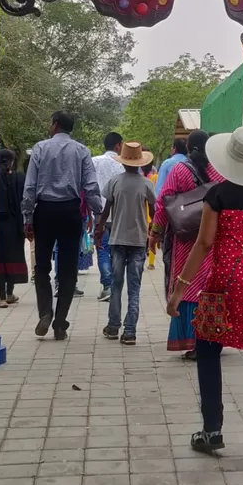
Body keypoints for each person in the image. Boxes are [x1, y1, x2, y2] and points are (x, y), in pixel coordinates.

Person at [167, 126, 243, 453]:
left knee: (207, 350)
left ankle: (212, 430)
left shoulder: (217, 195)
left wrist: (179, 290)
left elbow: (204, 243)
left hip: (226, 285)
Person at [24, 110, 103, 340]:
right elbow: (90, 187)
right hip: (70, 211)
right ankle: (60, 322)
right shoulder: (82, 151)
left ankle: (45, 312)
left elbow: (30, 187)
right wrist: (98, 218)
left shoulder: (40, 148)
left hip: (45, 211)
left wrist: (27, 218)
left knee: (42, 266)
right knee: (68, 269)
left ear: (55, 125)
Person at [153, 130, 223, 358]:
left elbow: (164, 202)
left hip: (186, 241)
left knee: (188, 285)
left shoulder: (179, 170)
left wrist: (155, 232)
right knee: (209, 285)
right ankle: (213, 337)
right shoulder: (220, 172)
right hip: (214, 238)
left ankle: (192, 342)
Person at [98, 142, 157, 345]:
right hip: (138, 241)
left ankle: (113, 326)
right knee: (134, 287)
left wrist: (98, 230)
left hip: (117, 239)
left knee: (116, 285)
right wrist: (154, 233)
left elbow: (106, 211)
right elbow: (153, 210)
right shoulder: (146, 184)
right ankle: (130, 331)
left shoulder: (115, 181)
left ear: (123, 163)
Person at [0, 149, 28, 307]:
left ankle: (1, 298)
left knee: (0, 258)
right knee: (13, 257)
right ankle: (10, 293)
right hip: (15, 225)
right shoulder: (20, 178)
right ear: (12, 161)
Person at [91, 132, 124, 303]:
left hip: (98, 213)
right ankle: (115, 285)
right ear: (118, 145)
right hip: (118, 214)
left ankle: (107, 286)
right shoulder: (122, 164)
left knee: (102, 249)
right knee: (116, 251)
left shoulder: (94, 162)